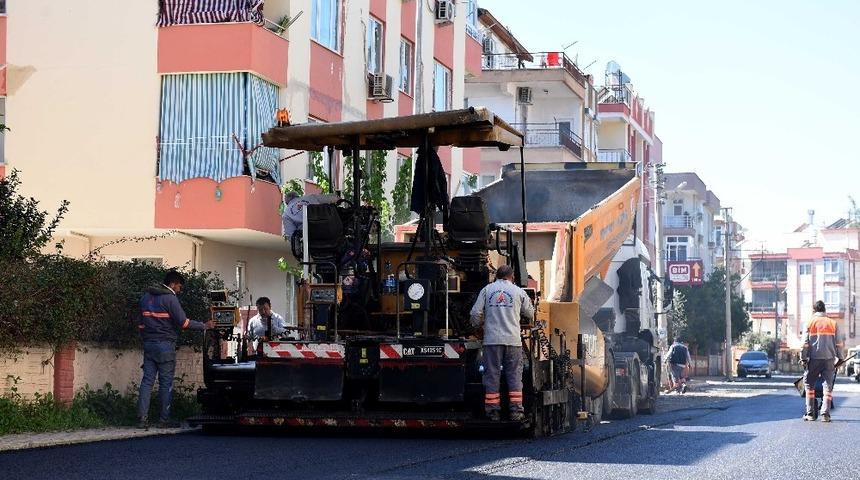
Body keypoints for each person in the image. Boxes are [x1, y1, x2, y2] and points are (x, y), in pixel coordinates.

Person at [137, 271, 213, 429]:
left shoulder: (146, 297)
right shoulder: (170, 298)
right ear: (172, 284)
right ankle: (164, 419)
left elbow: (141, 324)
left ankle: (141, 419)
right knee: (165, 384)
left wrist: (147, 338)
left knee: (147, 382)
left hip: (149, 344)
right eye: (179, 287)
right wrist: (204, 326)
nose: (179, 290)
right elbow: (183, 323)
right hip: (165, 345)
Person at [470, 264, 535, 422]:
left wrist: (477, 326)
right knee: (514, 375)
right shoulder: (518, 291)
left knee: (492, 375)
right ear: (512, 277)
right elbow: (530, 312)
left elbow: (475, 313)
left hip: (492, 341)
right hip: (513, 341)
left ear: (496, 276)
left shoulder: (487, 290)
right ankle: (516, 412)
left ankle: (493, 412)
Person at [801, 300, 843, 422]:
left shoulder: (809, 322)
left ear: (814, 310)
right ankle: (825, 414)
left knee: (809, 384)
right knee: (827, 386)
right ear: (825, 310)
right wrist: (840, 358)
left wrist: (803, 358)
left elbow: (804, 343)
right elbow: (839, 343)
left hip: (813, 358)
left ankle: (810, 414)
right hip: (829, 359)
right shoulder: (832, 323)